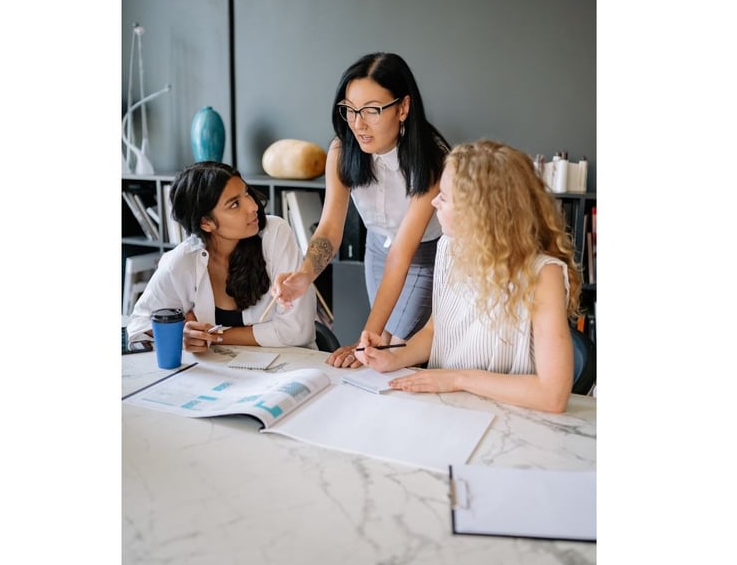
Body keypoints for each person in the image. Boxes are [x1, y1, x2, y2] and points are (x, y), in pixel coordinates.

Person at [355, 140, 582, 413]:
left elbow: (552, 396)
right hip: (450, 409)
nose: (434, 201)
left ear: (481, 212)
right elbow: (435, 331)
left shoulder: (544, 274)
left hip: (513, 417)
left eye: (445, 197)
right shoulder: (449, 247)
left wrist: (458, 379)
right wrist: (393, 357)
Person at [272, 52, 450, 368]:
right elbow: (329, 229)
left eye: (371, 111)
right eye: (350, 110)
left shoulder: (432, 158)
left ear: (403, 108)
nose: (358, 124)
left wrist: (367, 337)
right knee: (381, 350)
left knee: (394, 349)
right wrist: (303, 276)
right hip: (377, 253)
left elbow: (403, 252)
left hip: (424, 255)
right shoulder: (342, 151)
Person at [127, 161, 316, 353]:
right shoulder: (184, 260)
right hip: (224, 373)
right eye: (235, 204)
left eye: (247, 193)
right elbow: (138, 325)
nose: (252, 206)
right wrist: (182, 332)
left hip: (290, 367)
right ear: (206, 223)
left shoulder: (275, 233)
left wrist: (214, 336)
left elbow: (296, 331)